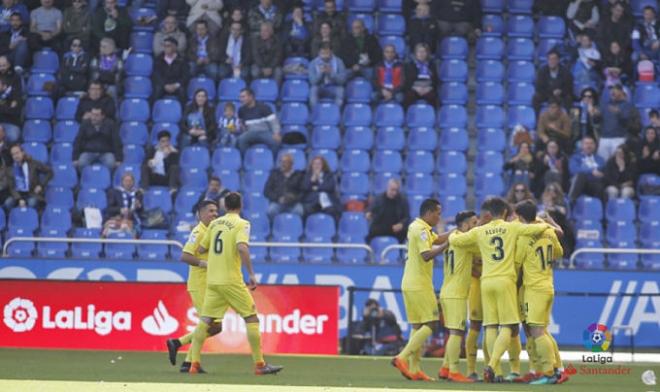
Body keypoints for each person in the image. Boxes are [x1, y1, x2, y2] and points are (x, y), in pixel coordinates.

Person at [448, 197, 562, 383]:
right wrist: (547, 224)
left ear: (488, 214)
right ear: (505, 213)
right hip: (506, 280)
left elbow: (458, 241)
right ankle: (494, 365)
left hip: (486, 282)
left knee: (490, 326)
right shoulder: (512, 227)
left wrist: (453, 234)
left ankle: (498, 371)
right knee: (509, 326)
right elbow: (534, 228)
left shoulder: (480, 230)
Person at [188, 192, 283, 375]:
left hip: (213, 281)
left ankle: (194, 363)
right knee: (251, 318)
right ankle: (260, 365)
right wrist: (251, 274)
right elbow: (241, 247)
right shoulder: (242, 224)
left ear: (224, 206)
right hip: (231, 280)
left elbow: (201, 248)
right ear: (240, 206)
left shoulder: (215, 224)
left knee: (205, 320)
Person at [390, 198, 446, 381]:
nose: (439, 217)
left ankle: (414, 370)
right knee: (431, 323)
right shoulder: (421, 229)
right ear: (429, 213)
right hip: (419, 284)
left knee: (417, 326)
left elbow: (437, 238)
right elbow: (426, 255)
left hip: (410, 282)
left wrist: (455, 233)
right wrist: (448, 245)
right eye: (438, 213)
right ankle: (402, 357)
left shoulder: (418, 226)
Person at [514, 200, 567, 385]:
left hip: (534, 288)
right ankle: (545, 370)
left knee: (536, 331)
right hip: (547, 286)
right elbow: (559, 253)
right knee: (541, 330)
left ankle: (548, 372)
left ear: (520, 217)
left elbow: (516, 262)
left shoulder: (524, 237)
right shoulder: (548, 232)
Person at [166, 199, 219, 373]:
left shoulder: (212, 230)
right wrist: (204, 264)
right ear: (201, 214)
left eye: (216, 211)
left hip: (209, 285)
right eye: (210, 211)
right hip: (199, 285)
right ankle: (188, 361)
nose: (214, 214)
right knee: (210, 325)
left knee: (216, 327)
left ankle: (179, 347)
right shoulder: (198, 231)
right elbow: (185, 256)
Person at [437, 210, 479, 383]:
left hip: (448, 290)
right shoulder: (465, 240)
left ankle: (446, 368)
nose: (476, 226)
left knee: (454, 331)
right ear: (465, 224)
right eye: (474, 223)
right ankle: (454, 371)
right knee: (457, 332)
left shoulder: (453, 237)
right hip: (456, 293)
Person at [4, 144, 52, 210]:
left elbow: (50, 172)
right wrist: (19, 199)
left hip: (32, 193)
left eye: (17, 153)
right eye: (13, 154)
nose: (16, 156)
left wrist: (41, 185)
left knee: (31, 203)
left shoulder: (33, 163)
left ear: (22, 152)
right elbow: (12, 187)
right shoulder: (10, 170)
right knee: (7, 203)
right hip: (18, 194)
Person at [236, 88, 281, 154]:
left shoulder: (264, 107)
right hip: (250, 132)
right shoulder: (241, 110)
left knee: (275, 141)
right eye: (240, 97)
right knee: (241, 140)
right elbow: (241, 123)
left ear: (251, 97)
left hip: (264, 132)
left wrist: (276, 133)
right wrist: (242, 129)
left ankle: (271, 160)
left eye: (243, 97)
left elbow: (274, 122)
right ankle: (247, 160)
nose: (241, 99)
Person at [599, 84, 636, 160]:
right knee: (602, 162)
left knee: (617, 161)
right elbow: (598, 120)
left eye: (614, 90)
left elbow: (626, 122)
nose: (612, 92)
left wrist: (619, 113)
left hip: (619, 138)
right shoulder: (605, 105)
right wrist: (595, 115)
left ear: (621, 92)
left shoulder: (627, 105)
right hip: (604, 138)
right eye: (611, 90)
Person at [366, 179, 410, 243]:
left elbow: (407, 217)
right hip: (380, 227)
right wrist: (368, 213)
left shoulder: (403, 200)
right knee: (370, 234)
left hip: (396, 229)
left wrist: (401, 224)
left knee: (407, 233)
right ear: (387, 188)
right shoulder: (378, 199)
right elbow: (369, 210)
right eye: (392, 190)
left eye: (396, 190)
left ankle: (401, 252)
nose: (394, 193)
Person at [264, 153, 304, 219]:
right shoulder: (274, 174)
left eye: (285, 162)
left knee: (299, 211)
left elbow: (302, 192)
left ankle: (296, 228)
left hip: (294, 203)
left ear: (291, 163)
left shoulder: (299, 175)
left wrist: (293, 198)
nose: (282, 164)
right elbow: (266, 191)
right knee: (271, 211)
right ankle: (273, 228)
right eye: (281, 162)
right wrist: (278, 198)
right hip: (278, 202)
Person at [568, 135, 606, 202]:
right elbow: (573, 170)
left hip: (594, 184)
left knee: (600, 185)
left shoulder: (600, 159)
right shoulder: (575, 158)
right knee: (581, 176)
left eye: (591, 143)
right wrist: (591, 171)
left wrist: (596, 173)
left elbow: (601, 171)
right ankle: (571, 201)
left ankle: (601, 209)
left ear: (595, 146)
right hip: (578, 183)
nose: (589, 146)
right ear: (582, 146)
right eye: (586, 143)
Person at [308, 43, 346, 107]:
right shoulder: (313, 63)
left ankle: (336, 112)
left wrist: (331, 73)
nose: (325, 55)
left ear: (331, 52)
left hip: (334, 86)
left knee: (341, 91)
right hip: (320, 86)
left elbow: (342, 81)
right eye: (323, 53)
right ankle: (316, 113)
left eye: (327, 53)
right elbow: (312, 82)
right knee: (313, 90)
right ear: (319, 53)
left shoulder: (339, 62)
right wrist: (321, 73)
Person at [153, 37, 189, 103]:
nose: (166, 48)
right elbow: (156, 75)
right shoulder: (159, 59)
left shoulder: (182, 60)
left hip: (176, 84)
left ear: (175, 47)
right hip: (163, 84)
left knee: (183, 92)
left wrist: (176, 85)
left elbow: (185, 75)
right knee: (157, 91)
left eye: (168, 46)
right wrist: (164, 85)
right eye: (164, 46)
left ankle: (184, 112)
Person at [404, 43, 437, 107]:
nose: (421, 54)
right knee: (409, 96)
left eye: (423, 51)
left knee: (433, 97)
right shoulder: (410, 65)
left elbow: (435, 80)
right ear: (415, 53)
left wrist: (429, 88)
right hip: (415, 89)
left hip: (428, 89)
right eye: (419, 52)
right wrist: (415, 88)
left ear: (427, 53)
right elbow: (408, 81)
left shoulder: (432, 65)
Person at [0, 75, 20, 142]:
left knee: (12, 136)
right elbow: (8, 109)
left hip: (9, 123)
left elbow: (13, 111)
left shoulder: (13, 95)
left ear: (4, 86)